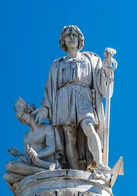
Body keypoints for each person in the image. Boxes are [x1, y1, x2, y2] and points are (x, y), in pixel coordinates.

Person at [34, 25, 114, 172]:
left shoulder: (91, 59)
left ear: (79, 40)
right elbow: (50, 88)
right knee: (69, 139)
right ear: (63, 41)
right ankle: (75, 171)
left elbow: (101, 80)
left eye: (74, 35)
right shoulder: (57, 64)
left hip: (83, 97)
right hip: (63, 99)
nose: (71, 37)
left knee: (89, 127)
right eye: (68, 35)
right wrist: (45, 108)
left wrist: (107, 64)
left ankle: (100, 164)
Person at [4, 98, 61, 188]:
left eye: (22, 114)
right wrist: (19, 154)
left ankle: (44, 171)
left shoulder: (46, 128)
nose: (21, 118)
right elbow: (28, 157)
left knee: (10, 167)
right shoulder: (26, 136)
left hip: (44, 162)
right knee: (7, 174)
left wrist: (37, 155)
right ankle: (42, 173)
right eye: (19, 118)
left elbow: (51, 148)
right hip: (33, 165)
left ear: (29, 111)